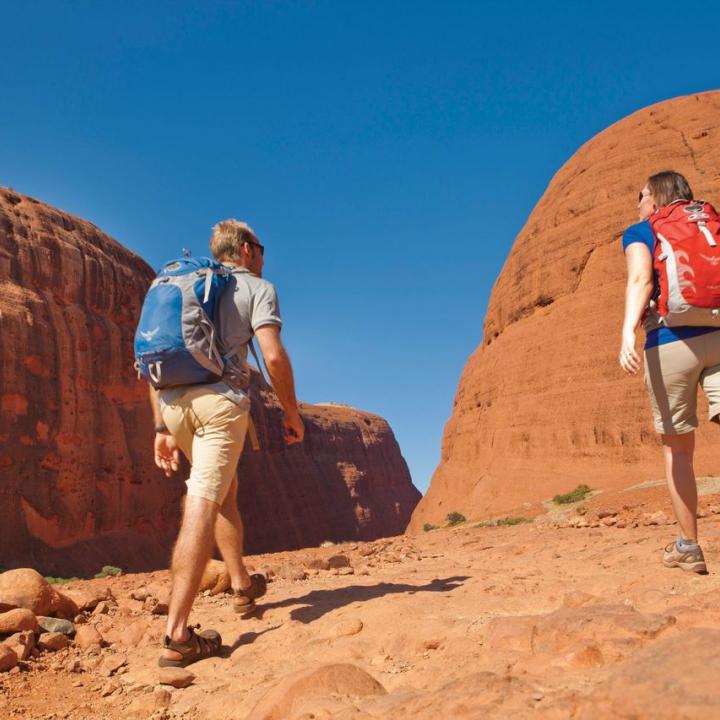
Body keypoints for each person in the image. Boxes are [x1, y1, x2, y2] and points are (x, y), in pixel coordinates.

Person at [148, 219, 305, 666]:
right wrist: (292, 413)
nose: (263, 252)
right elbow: (272, 355)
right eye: (260, 244)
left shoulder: (184, 284)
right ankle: (177, 635)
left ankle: (240, 584)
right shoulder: (256, 286)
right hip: (220, 405)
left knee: (224, 490)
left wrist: (162, 426)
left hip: (175, 403)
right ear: (245, 249)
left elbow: (154, 354)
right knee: (204, 497)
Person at [619, 170, 717, 574]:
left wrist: (626, 331)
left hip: (671, 342)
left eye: (640, 195)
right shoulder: (711, 224)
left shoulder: (642, 230)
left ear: (655, 199)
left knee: (678, 449)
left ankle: (688, 546)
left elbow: (641, 278)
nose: (638, 203)